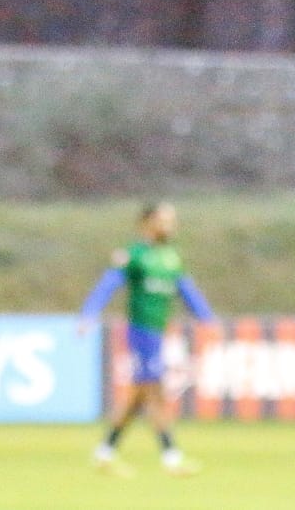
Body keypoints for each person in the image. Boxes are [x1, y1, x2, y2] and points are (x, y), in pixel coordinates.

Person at [78, 201, 213, 478]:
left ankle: (104, 453)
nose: (170, 225)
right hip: (141, 332)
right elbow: (109, 283)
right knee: (154, 392)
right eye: (164, 219)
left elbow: (187, 290)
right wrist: (89, 313)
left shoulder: (172, 257)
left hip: (158, 331)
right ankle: (171, 458)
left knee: (139, 396)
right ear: (147, 223)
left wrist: (207, 318)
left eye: (172, 220)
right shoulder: (135, 255)